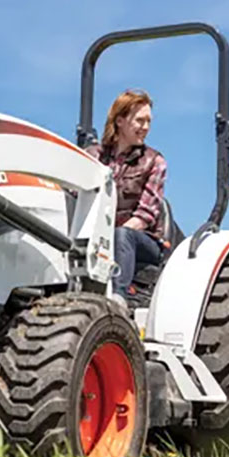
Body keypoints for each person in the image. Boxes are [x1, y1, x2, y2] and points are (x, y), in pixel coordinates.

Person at [86, 89, 167, 305]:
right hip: (100, 237)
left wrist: (105, 238)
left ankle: (117, 298)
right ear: (120, 121)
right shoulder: (94, 156)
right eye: (140, 120)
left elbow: (145, 215)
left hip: (142, 240)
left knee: (123, 234)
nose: (146, 127)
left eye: (148, 121)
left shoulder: (154, 162)